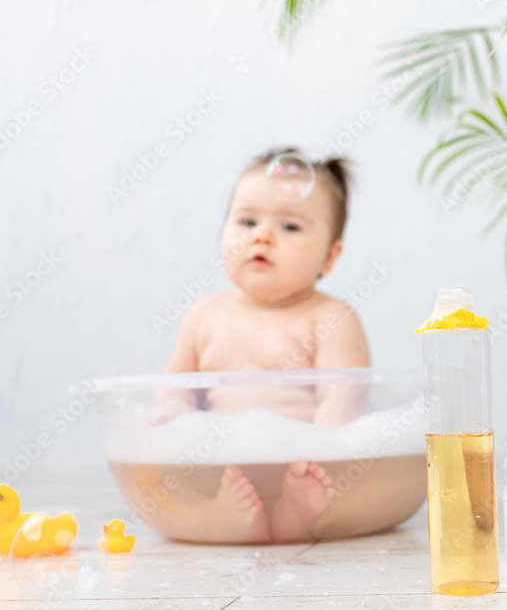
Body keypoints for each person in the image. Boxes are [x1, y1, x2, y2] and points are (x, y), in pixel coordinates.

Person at [149, 148, 370, 543]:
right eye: (247, 221)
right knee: (163, 483)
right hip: (216, 468)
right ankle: (218, 516)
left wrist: (314, 459)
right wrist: (174, 420)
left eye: (290, 226)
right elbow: (174, 389)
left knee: (321, 489)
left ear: (330, 256)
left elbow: (342, 403)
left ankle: (292, 508)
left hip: (298, 466)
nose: (262, 236)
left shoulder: (330, 318)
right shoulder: (203, 315)